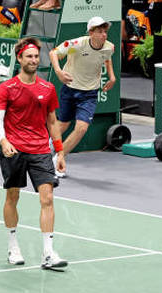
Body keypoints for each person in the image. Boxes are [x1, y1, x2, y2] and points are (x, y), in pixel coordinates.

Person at [0, 37, 68, 271]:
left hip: (40, 151)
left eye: (36, 56)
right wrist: (3, 141)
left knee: (47, 198)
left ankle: (48, 253)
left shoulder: (48, 89)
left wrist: (60, 151)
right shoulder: (6, 88)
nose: (34, 60)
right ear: (19, 59)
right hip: (13, 150)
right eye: (29, 56)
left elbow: (52, 121)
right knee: (12, 197)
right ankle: (13, 246)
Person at [49, 16, 116, 177]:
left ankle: (59, 158)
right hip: (70, 88)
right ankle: (46, 148)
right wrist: (58, 72)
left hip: (90, 93)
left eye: (105, 31)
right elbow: (54, 53)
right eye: (99, 31)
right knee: (63, 125)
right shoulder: (77, 45)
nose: (103, 35)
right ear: (91, 32)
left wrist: (112, 77)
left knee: (82, 128)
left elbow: (106, 59)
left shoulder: (109, 47)